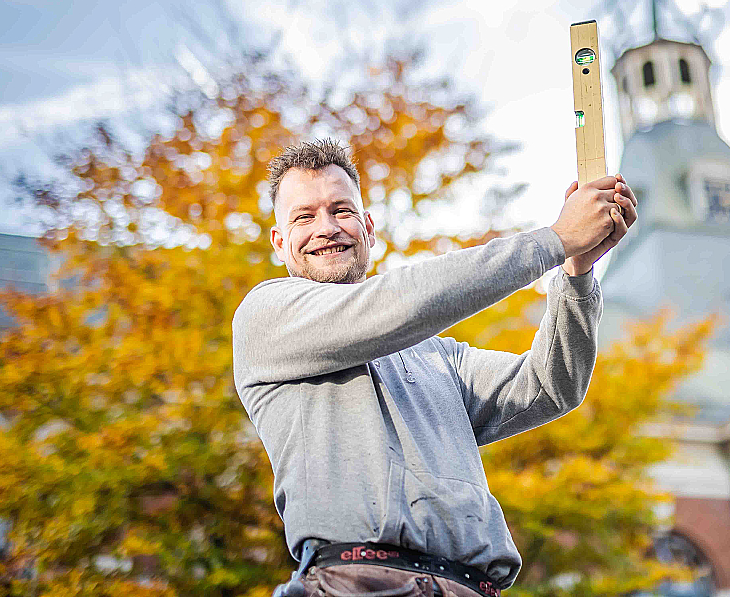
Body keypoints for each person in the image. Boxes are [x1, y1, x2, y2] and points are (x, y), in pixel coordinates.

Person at [232, 138, 637, 597]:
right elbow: (393, 304)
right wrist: (555, 239)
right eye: (304, 216)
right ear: (279, 241)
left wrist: (575, 272)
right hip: (355, 584)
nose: (326, 227)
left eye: (341, 210)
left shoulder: (438, 356)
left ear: (367, 226)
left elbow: (551, 385)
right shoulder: (263, 316)